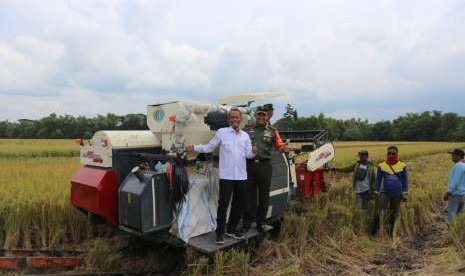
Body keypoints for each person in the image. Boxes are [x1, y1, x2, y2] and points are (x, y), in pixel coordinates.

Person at [185, 108, 256, 244]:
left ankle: (231, 229)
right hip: (227, 176)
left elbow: (248, 155)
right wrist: (194, 147)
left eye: (237, 117)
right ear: (229, 120)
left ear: (241, 119)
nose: (235, 119)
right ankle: (220, 233)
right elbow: (209, 147)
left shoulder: (245, 136)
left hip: (241, 176)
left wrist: (253, 152)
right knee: (223, 204)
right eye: (232, 117)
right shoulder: (222, 133)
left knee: (238, 204)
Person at [242, 106, 289, 232]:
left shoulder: (273, 131)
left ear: (267, 117)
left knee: (264, 196)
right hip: (249, 165)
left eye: (264, 115)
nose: (261, 117)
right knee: (249, 195)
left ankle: (260, 222)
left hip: (264, 166)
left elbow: (279, 146)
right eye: (259, 115)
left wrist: (283, 148)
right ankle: (247, 221)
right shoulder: (247, 130)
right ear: (255, 116)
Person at [372, 146, 408, 237]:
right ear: (387, 154)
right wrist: (376, 190)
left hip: (397, 194)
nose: (391, 155)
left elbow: (405, 181)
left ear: (397, 154)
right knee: (379, 210)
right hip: (385, 192)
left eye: (393, 153)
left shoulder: (402, 166)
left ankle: (391, 232)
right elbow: (378, 180)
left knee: (393, 213)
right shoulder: (381, 166)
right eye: (389, 153)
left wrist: (405, 193)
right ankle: (374, 231)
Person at [444, 149, 465, 224]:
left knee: (451, 215)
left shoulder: (458, 166)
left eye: (453, 155)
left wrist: (448, 192)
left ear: (458, 156)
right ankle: (456, 232)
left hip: (455, 194)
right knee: (459, 215)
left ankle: (451, 232)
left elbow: (455, 181)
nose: (452, 157)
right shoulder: (463, 165)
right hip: (462, 194)